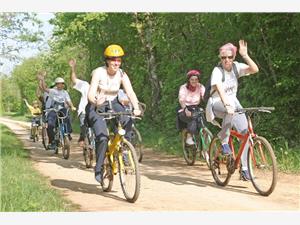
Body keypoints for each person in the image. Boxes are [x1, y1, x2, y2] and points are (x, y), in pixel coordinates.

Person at [86, 44, 141, 184]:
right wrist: (96, 101)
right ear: (107, 61)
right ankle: (98, 168)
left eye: (119, 60)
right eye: (113, 60)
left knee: (128, 119)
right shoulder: (99, 72)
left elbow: (130, 92)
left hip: (114, 102)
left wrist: (136, 107)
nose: (116, 63)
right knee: (102, 137)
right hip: (97, 105)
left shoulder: (122, 73)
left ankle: (124, 152)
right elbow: (91, 93)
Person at [205, 40, 259, 181]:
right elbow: (219, 89)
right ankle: (224, 143)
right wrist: (227, 104)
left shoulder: (236, 67)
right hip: (217, 103)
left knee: (245, 134)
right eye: (223, 57)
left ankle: (245, 169)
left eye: (229, 57)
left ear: (234, 57)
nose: (226, 60)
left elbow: (255, 69)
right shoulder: (217, 71)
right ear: (220, 58)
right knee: (229, 111)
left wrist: (245, 55)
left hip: (234, 104)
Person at [38, 73, 76, 150]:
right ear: (56, 84)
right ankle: (52, 142)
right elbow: (44, 88)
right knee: (50, 125)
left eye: (62, 84)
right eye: (58, 84)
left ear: (63, 85)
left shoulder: (65, 92)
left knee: (67, 117)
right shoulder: (52, 91)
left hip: (61, 108)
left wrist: (72, 106)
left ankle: (67, 133)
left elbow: (68, 101)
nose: (60, 85)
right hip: (53, 109)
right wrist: (42, 79)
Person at [177, 70, 205, 145]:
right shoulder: (183, 87)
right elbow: (181, 100)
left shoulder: (201, 86)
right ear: (189, 80)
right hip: (185, 108)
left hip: (196, 107)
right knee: (192, 118)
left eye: (196, 79)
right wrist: (186, 110)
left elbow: (204, 96)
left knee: (202, 122)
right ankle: (189, 137)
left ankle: (203, 146)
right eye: (192, 79)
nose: (194, 81)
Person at [69, 58, 90, 147]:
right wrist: (73, 68)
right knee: (83, 127)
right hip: (84, 111)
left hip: (97, 112)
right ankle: (82, 138)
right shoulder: (86, 85)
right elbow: (74, 80)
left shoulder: (104, 87)